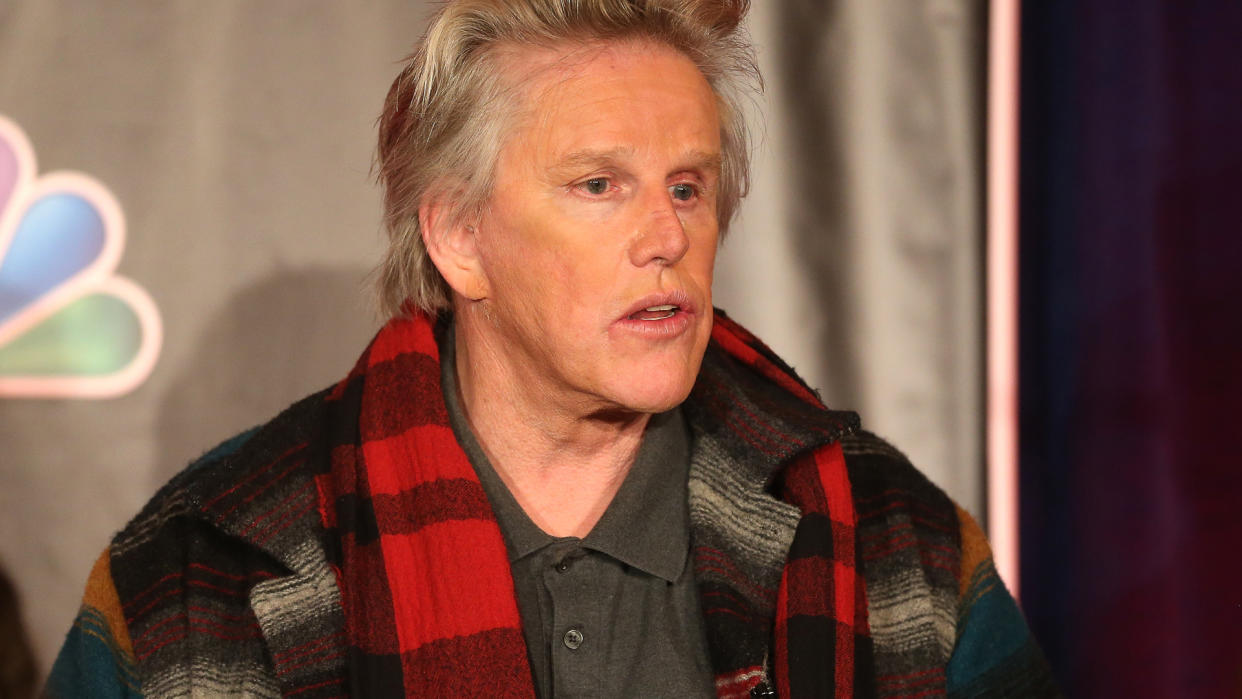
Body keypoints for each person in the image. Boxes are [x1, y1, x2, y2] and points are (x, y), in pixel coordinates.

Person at [45, 1, 1057, 696]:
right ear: (458, 238)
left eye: (688, 186)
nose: (666, 236)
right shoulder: (204, 572)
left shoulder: (894, 546)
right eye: (597, 185)